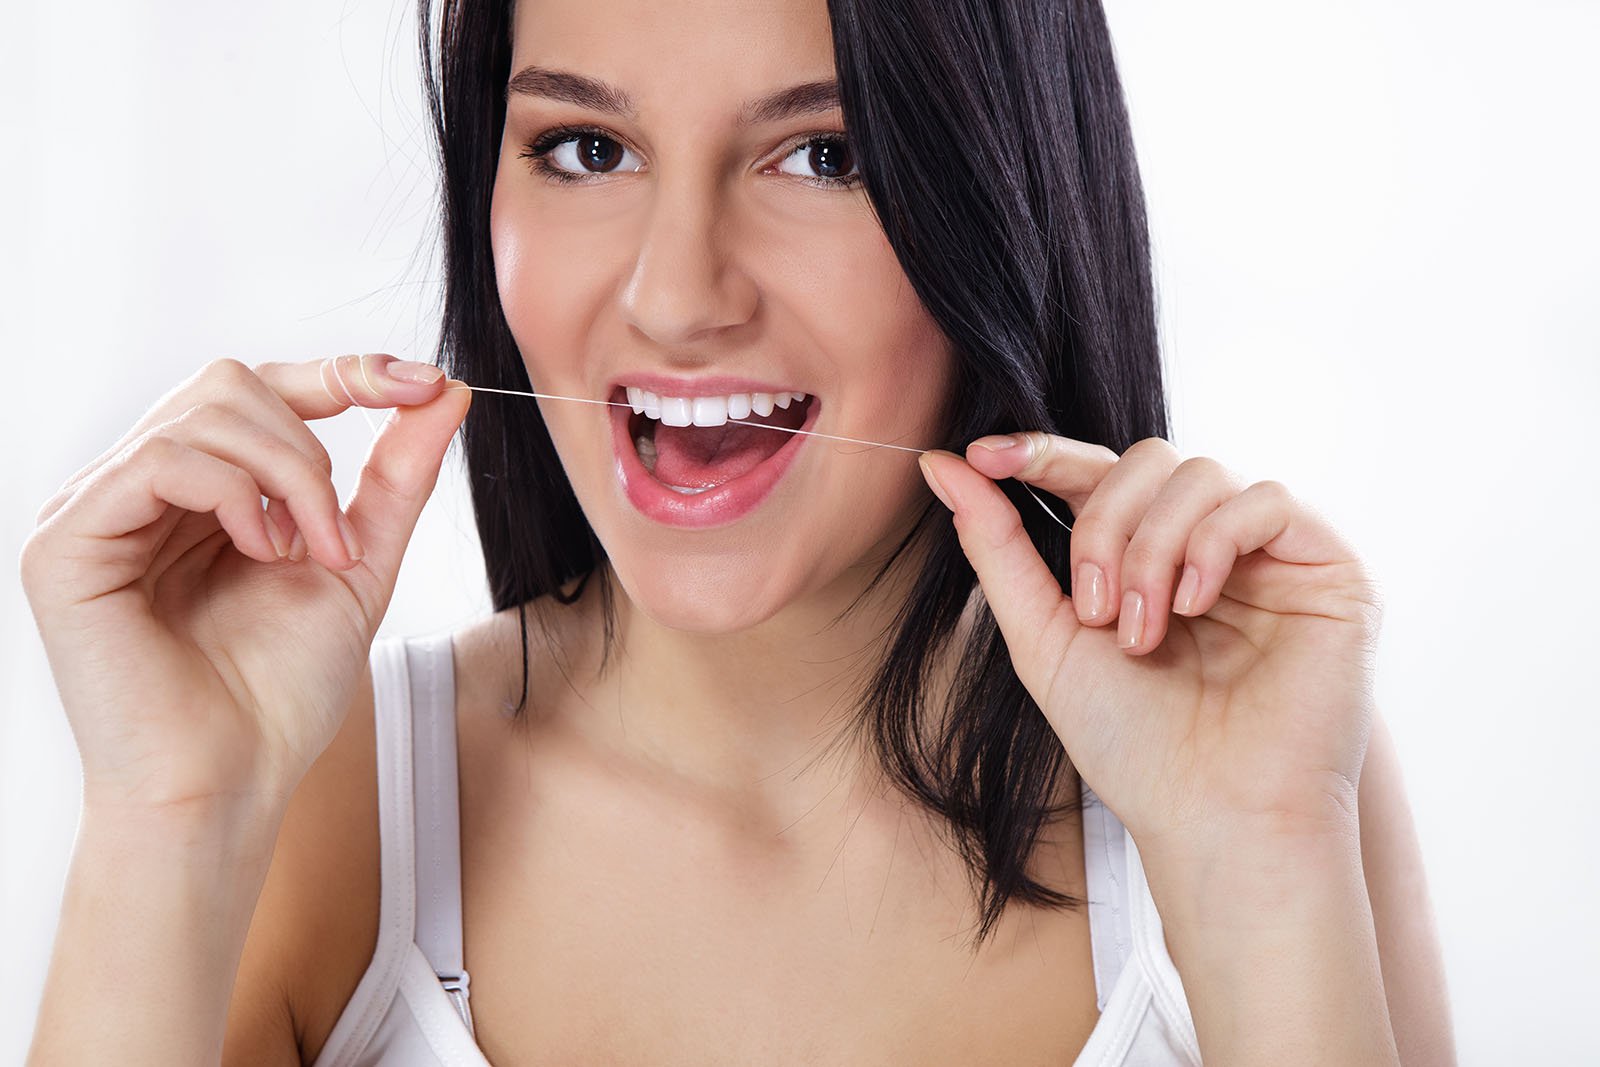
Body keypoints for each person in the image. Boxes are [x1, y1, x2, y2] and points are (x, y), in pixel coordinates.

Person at [21, 0, 1456, 1063]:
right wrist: (166, 824)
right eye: (586, 147)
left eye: (822, 156)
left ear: (1002, 198)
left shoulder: (1254, 775)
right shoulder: (324, 801)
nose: (679, 293)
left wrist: (1260, 860)